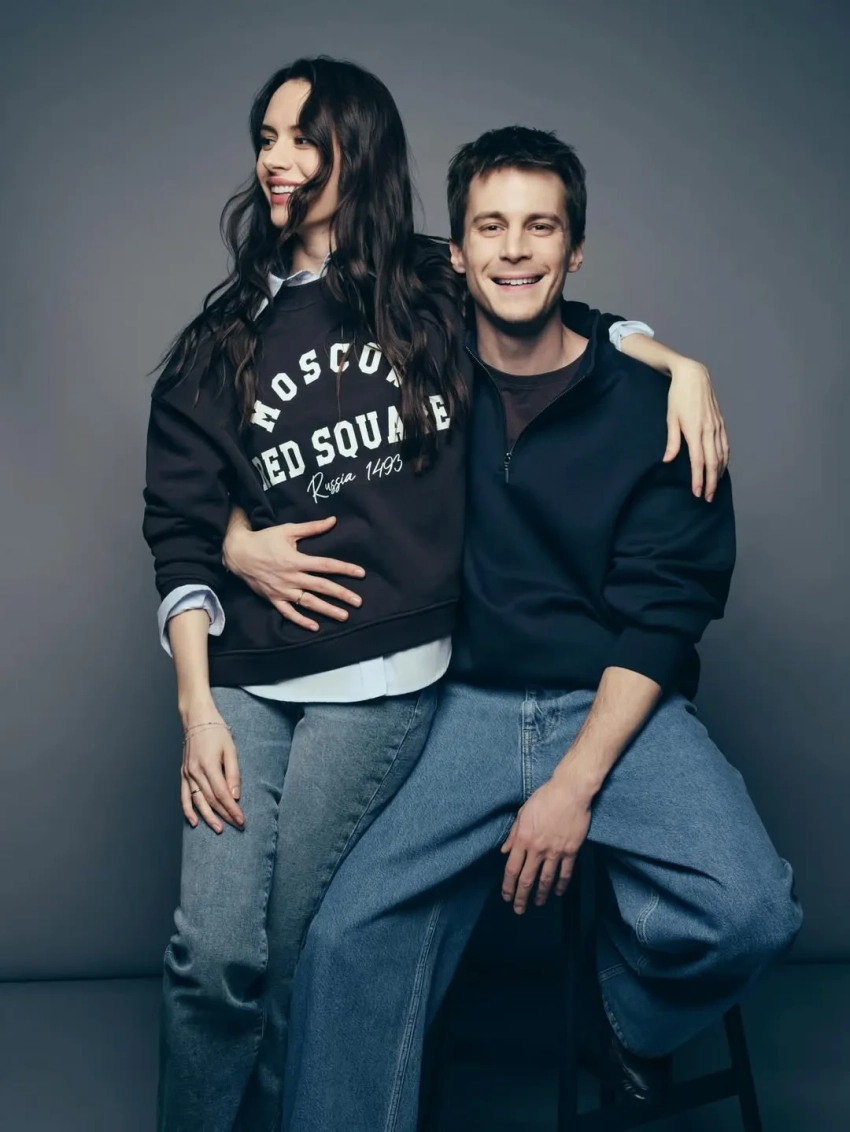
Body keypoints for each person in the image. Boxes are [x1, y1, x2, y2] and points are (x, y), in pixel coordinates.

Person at [144, 56, 727, 1131]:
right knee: (219, 954)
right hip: (255, 677)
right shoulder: (225, 330)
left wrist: (671, 360)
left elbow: (546, 301)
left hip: (391, 677)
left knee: (298, 952)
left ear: (356, 149)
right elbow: (177, 506)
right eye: (267, 138)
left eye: (305, 137)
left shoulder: (417, 288)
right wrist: (229, 563)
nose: (278, 158)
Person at [240, 126, 803, 1132]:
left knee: (749, 911)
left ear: (574, 248)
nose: (513, 248)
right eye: (490, 227)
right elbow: (261, 442)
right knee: (345, 939)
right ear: (454, 252)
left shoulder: (656, 408)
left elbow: (664, 617)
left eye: (540, 227)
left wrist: (571, 786)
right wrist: (235, 539)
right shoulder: (405, 375)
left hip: (613, 701)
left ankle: (621, 1015)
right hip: (454, 703)